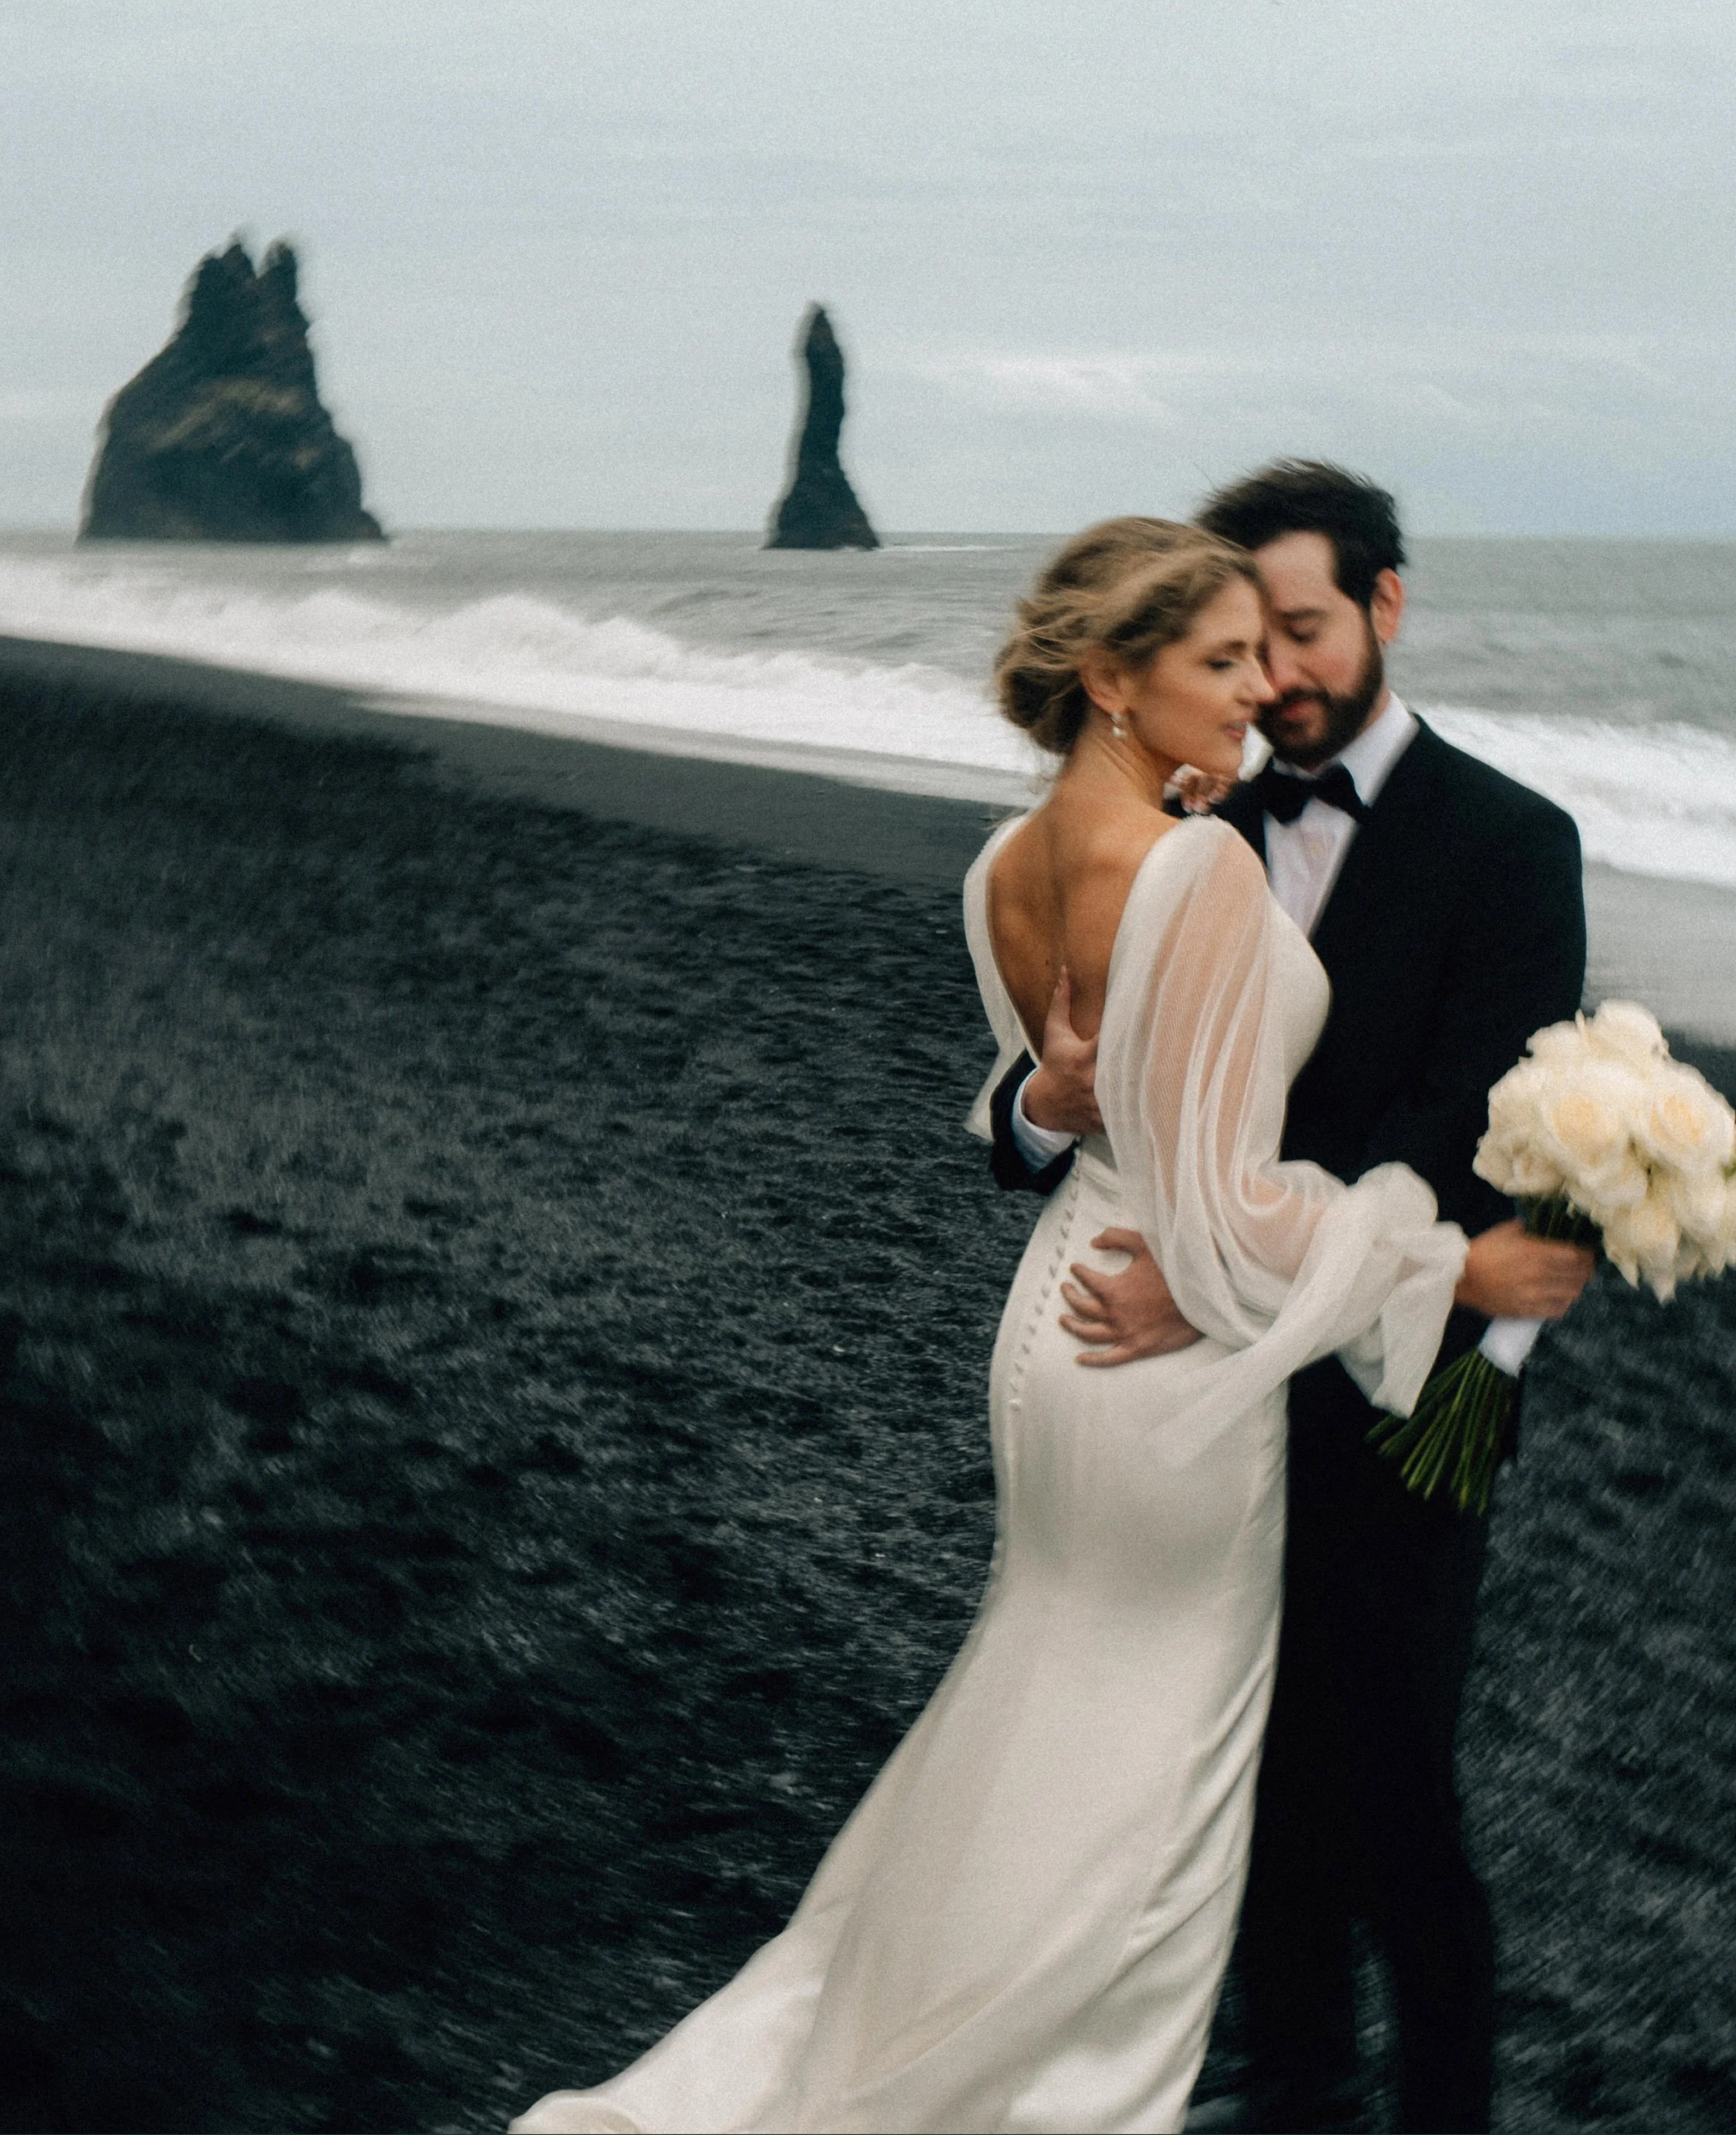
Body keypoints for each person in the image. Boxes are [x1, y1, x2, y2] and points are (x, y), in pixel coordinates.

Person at [512, 519, 1484, 2135]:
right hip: (1165, 1344)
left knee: (1049, 1682)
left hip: (1053, 1321)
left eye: (1267, 651)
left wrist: (1050, 1109)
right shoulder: (1208, 863)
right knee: (1157, 1752)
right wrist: (1408, 1243)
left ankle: (935, 2023)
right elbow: (1226, 1208)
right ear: (1112, 677)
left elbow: (1065, 1107)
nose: (1260, 689)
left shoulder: (1001, 865)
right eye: (1220, 659)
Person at [990, 464, 1592, 2134]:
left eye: (1305, 634)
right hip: (1201, 1403)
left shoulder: (1509, 843)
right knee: (1237, 1770)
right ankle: (1297, 2084)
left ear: (1385, 608)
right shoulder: (1191, 821)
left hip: (1412, 1392)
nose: (1275, 682)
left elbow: (1459, 1121)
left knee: (1399, 1789)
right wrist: (1043, 1107)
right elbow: (1051, 1099)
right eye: (1246, 646)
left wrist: (1232, 1283)